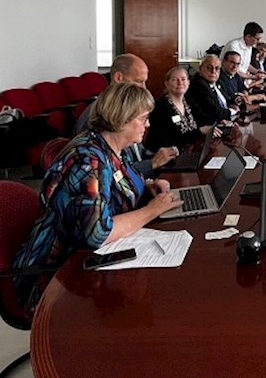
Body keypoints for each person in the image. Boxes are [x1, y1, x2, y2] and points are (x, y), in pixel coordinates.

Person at [13, 83, 184, 311]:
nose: (148, 124)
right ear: (123, 119)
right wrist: (151, 210)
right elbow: (97, 233)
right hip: (55, 277)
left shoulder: (109, 148)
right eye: (143, 119)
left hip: (89, 260)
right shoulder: (88, 160)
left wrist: (148, 188)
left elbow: (118, 185)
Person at [74, 53, 177, 178]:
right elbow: (113, 174)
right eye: (139, 81)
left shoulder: (126, 114)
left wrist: (160, 157)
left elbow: (136, 153)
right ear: (119, 77)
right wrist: (152, 163)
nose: (144, 88)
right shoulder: (97, 117)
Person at [145, 67, 220, 152]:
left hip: (191, 150)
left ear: (188, 83)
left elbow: (204, 118)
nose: (180, 83)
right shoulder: (160, 107)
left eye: (183, 79)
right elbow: (167, 140)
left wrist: (221, 121)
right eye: (174, 80)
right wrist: (199, 131)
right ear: (167, 84)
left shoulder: (188, 100)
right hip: (171, 156)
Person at [187, 54, 238, 126]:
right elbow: (215, 112)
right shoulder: (198, 85)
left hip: (224, 121)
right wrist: (234, 111)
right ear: (200, 68)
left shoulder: (219, 82)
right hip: (208, 126)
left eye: (217, 68)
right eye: (209, 67)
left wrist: (237, 100)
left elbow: (227, 98)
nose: (213, 71)